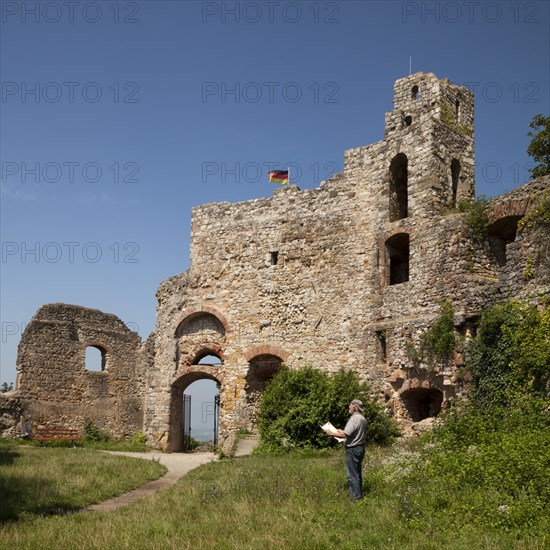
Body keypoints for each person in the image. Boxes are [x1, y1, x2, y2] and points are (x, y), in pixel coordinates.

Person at [323, 399, 368, 501]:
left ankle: (356, 499)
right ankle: (359, 496)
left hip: (353, 449)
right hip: (360, 448)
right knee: (357, 473)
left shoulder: (354, 419)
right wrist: (341, 431)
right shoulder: (362, 418)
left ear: (354, 407)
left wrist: (331, 433)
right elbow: (352, 433)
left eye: (350, 405)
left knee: (352, 475)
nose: (349, 407)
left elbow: (345, 435)